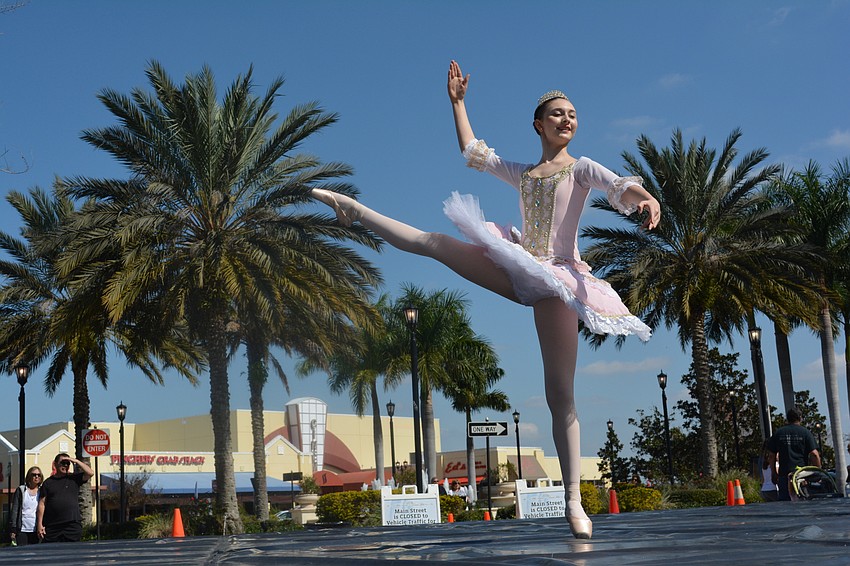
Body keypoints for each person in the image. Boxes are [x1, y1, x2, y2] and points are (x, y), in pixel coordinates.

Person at [311, 60, 660, 539]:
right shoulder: (525, 173)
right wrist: (458, 103)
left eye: (573, 114)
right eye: (557, 114)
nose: (567, 119)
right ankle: (354, 210)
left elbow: (617, 183)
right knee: (435, 243)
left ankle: (573, 501)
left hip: (557, 280)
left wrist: (645, 199)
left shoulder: (580, 168)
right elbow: (474, 152)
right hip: (518, 264)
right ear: (538, 125)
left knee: (560, 394)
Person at [766, 407, 821, 501]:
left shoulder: (779, 433)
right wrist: (817, 471)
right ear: (800, 418)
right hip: (801, 476)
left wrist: (774, 473)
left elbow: (771, 456)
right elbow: (814, 454)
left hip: (784, 476)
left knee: (785, 504)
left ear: (787, 418)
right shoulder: (805, 433)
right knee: (803, 502)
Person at [36, 453, 94, 543]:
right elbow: (42, 504)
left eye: (68, 463)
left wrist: (76, 461)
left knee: (72, 550)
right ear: (55, 464)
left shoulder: (74, 478)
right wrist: (39, 524)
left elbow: (90, 473)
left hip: (72, 525)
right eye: (63, 463)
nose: (65, 465)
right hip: (53, 526)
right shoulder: (48, 482)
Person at [9, 466, 43, 546]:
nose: (36, 477)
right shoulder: (21, 490)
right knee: (22, 551)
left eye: (39, 475)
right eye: (34, 475)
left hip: (36, 529)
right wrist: (13, 528)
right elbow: (15, 510)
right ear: (29, 476)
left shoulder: (42, 491)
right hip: (22, 529)